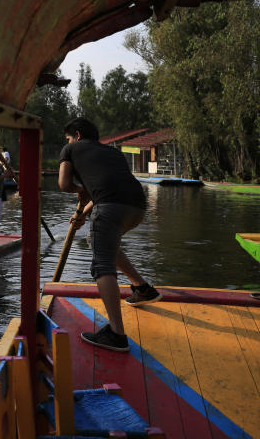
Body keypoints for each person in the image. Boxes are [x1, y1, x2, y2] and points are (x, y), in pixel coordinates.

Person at [58, 117, 161, 353]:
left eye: (69, 137)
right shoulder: (112, 153)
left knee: (102, 264)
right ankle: (142, 288)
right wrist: (84, 212)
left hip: (111, 206)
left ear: (77, 135)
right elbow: (106, 187)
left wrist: (79, 188)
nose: (68, 141)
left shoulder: (71, 148)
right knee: (102, 242)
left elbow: (64, 184)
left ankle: (116, 334)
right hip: (137, 207)